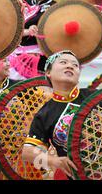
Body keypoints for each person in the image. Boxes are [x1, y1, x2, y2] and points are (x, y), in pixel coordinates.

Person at [22, 50, 92, 180]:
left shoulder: (94, 96)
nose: (70, 66)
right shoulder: (44, 114)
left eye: (75, 65)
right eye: (63, 62)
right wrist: (54, 161)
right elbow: (27, 152)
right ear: (48, 73)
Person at [9, 0, 57, 80]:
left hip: (42, 63)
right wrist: (26, 31)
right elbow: (8, 31)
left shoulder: (57, 9)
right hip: (13, 61)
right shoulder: (21, 4)